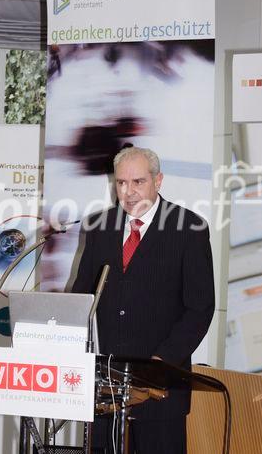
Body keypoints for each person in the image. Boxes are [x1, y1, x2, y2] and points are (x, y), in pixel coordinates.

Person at [72, 146, 215, 453]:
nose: (129, 192)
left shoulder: (190, 229)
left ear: (158, 181)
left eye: (138, 182)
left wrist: (161, 363)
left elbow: (199, 308)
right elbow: (82, 297)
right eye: (121, 183)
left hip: (159, 388)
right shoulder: (99, 227)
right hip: (105, 390)